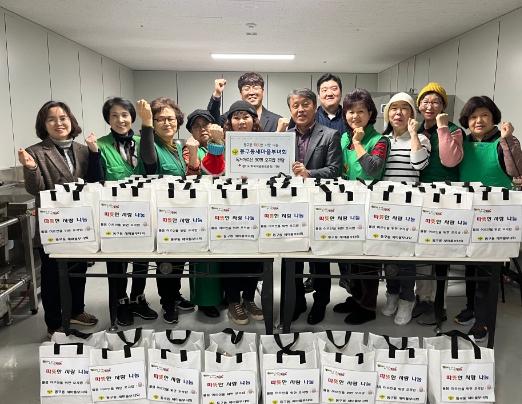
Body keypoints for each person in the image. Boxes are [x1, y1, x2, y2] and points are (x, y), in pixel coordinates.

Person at [18, 101, 99, 337]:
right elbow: (35, 189)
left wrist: (95, 153)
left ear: (71, 120)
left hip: (81, 223)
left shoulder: (83, 149)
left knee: (78, 270)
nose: (58, 123)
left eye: (63, 118)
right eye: (51, 119)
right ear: (43, 125)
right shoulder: (36, 152)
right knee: (52, 276)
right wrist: (31, 169)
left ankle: (76, 311)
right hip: (54, 225)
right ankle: (53, 322)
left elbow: (94, 182)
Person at [456, 95, 522, 341]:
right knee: (469, 266)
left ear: (494, 117)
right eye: (473, 117)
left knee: (486, 270)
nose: (478, 121)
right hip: (467, 210)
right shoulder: (464, 142)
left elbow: (517, 170)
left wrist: (507, 140)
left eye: (484, 115)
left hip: (495, 214)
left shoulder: (504, 140)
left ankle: (483, 321)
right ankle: (471, 308)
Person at [95, 97, 157, 326]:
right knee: (116, 262)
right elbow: (96, 179)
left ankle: (137, 298)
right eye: (114, 115)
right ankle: (120, 302)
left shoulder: (144, 141)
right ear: (108, 120)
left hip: (143, 211)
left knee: (142, 259)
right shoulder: (100, 145)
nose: (120, 120)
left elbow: (151, 166)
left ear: (132, 117)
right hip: (115, 214)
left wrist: (148, 125)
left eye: (125, 115)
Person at [136, 97, 195, 324]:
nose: (167, 123)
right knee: (166, 263)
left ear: (178, 121)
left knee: (178, 261)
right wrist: (146, 124)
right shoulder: (151, 146)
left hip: (178, 213)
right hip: (160, 215)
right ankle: (167, 303)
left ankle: (175, 295)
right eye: (160, 119)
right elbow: (149, 160)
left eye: (171, 118)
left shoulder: (177, 147)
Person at [286, 88, 343, 325]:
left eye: (305, 104)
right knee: (292, 258)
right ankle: (297, 301)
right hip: (290, 207)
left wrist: (309, 173)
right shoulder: (284, 137)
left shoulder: (330, 135)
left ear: (314, 107)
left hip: (320, 206)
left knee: (319, 258)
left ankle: (320, 303)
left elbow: (335, 170)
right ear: (290, 110)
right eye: (295, 105)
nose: (300, 109)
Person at [332, 88, 389, 325]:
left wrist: (357, 143)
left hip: (370, 207)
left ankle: (368, 307)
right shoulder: (344, 138)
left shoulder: (380, 140)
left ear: (370, 114)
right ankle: (356, 298)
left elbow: (373, 169)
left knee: (367, 260)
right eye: (350, 112)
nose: (355, 116)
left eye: (360, 112)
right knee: (350, 257)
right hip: (348, 204)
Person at [414, 82, 464, 325]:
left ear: (443, 106)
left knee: (442, 253)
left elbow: (449, 160)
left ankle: (439, 304)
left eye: (435, 101)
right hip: (420, 196)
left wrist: (442, 127)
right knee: (422, 251)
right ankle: (422, 298)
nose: (429, 106)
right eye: (425, 101)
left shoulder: (454, 130)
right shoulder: (416, 129)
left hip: (446, 197)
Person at [381, 92, 431, 325]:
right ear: (387, 114)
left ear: (412, 113)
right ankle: (391, 293)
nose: (398, 113)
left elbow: (419, 164)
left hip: (409, 206)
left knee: (406, 257)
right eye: (394, 108)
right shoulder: (382, 140)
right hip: (384, 205)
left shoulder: (421, 138)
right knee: (387, 255)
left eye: (404, 108)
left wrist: (412, 134)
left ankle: (407, 299)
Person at [218, 100, 265, 325]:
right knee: (232, 257)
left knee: (254, 257)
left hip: (256, 207)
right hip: (229, 207)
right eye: (236, 117)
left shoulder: (263, 143)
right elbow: (213, 172)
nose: (241, 121)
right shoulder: (222, 143)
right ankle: (232, 301)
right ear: (230, 122)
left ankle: (248, 298)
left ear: (254, 120)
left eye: (246, 117)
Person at [207, 72, 283, 132]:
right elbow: (211, 121)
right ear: (241, 93)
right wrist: (217, 93)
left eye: (256, 88)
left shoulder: (276, 121)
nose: (251, 92)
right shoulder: (229, 117)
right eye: (247, 89)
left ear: (263, 91)